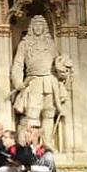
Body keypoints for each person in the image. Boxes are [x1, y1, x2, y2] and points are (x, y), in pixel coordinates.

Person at [11, 15, 72, 148]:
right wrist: (19, 83)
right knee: (32, 115)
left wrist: (63, 68)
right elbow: (18, 65)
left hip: (50, 81)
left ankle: (47, 145)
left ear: (44, 27)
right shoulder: (24, 44)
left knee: (48, 114)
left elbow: (58, 63)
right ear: (32, 27)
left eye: (41, 25)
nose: (38, 28)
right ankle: (30, 146)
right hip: (33, 81)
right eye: (35, 25)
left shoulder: (50, 44)